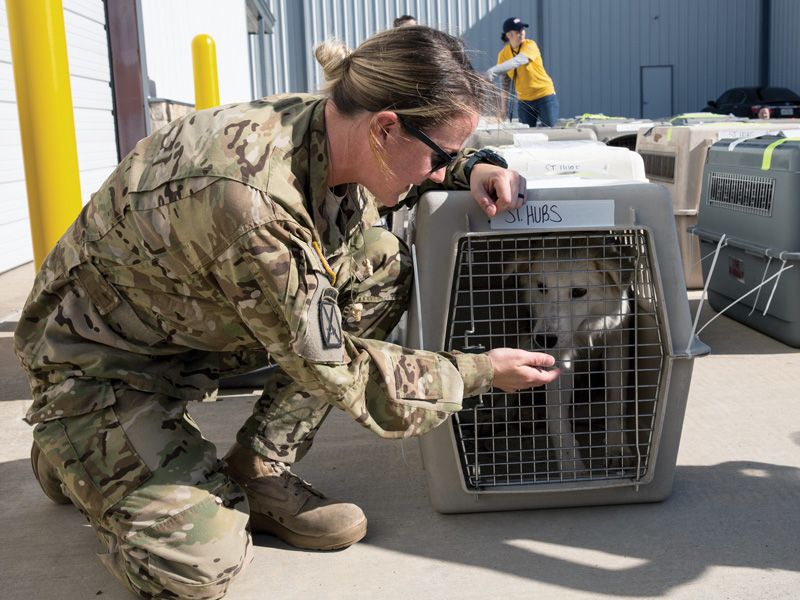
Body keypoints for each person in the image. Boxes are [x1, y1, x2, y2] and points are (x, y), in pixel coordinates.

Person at [16, 25, 559, 600]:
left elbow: (419, 153)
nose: (436, 172)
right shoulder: (252, 206)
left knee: (378, 262)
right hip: (100, 361)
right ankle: (75, 443)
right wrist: (479, 372)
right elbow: (341, 370)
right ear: (385, 129)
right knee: (195, 567)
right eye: (440, 157)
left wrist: (472, 166)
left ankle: (258, 465)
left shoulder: (333, 119)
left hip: (190, 319)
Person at [487, 17, 559, 127]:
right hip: (524, 101)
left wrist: (493, 70)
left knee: (549, 130)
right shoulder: (503, 55)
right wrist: (503, 109)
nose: (521, 33)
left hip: (544, 95)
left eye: (523, 30)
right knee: (526, 135)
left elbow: (518, 60)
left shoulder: (530, 45)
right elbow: (505, 84)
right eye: (517, 31)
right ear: (508, 35)